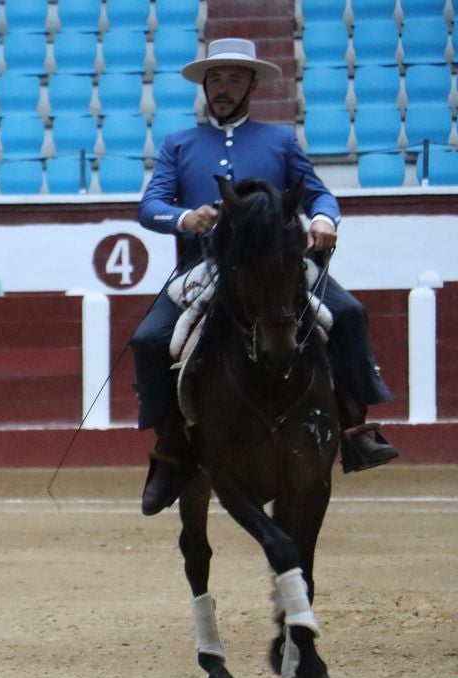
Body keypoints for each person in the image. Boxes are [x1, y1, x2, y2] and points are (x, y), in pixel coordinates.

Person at [132, 38, 398, 516]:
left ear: (252, 84)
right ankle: (170, 451)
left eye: (234, 78)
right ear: (204, 85)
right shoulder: (178, 144)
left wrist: (323, 221)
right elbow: (150, 206)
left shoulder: (279, 140)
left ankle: (357, 431)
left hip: (277, 266)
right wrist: (185, 218)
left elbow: (319, 195)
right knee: (149, 338)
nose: (223, 87)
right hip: (206, 267)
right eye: (215, 78)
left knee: (351, 314)